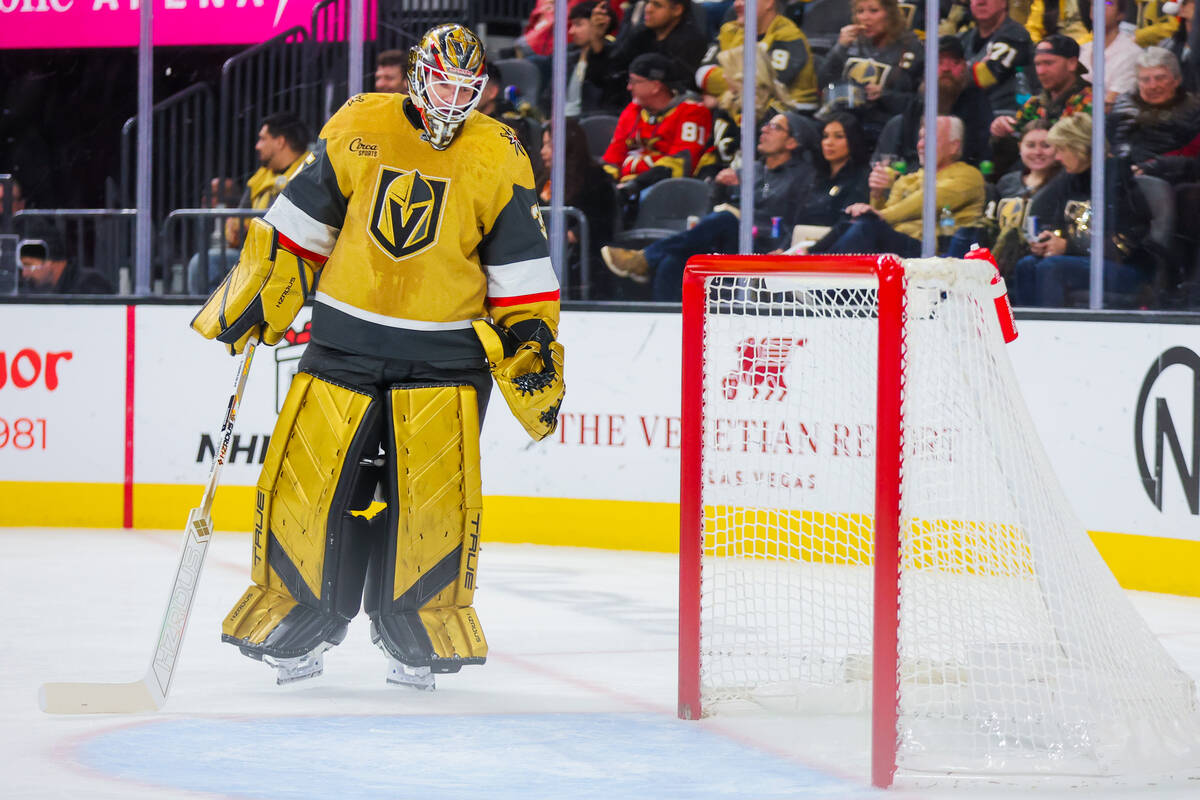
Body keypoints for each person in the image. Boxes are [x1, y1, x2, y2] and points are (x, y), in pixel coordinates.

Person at [190, 24, 564, 690]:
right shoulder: (361, 120)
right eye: (444, 82)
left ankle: (416, 628)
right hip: (344, 342)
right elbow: (301, 222)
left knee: (432, 507)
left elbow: (520, 265)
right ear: (419, 74)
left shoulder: (501, 150)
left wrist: (530, 340)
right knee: (305, 487)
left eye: (467, 88)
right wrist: (258, 293)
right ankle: (296, 621)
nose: (454, 98)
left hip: (447, 356)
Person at [600, 111, 816, 300]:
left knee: (724, 219)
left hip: (768, 246)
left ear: (792, 142)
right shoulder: (751, 169)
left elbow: (799, 218)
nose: (764, 130)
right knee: (674, 260)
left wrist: (785, 248)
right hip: (731, 241)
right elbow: (714, 208)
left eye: (775, 127)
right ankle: (666, 319)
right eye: (766, 125)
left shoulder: (803, 175)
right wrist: (721, 186)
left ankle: (645, 258)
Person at [1009, 113, 1155, 306]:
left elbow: (1123, 245)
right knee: (1026, 265)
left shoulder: (1115, 179)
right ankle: (1024, 333)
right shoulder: (1070, 178)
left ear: (1080, 148)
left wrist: (1067, 247)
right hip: (1080, 261)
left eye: (1061, 149)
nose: (1057, 157)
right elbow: (1043, 211)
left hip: (1128, 270)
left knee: (1052, 267)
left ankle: (1054, 333)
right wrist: (1046, 241)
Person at [810, 115, 986, 256]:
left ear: (954, 146)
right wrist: (877, 196)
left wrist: (877, 215)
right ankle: (807, 260)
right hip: (898, 248)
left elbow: (929, 201)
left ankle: (818, 283)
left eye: (930, 138)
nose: (921, 144)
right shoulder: (908, 179)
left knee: (866, 227)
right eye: (920, 138)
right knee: (853, 224)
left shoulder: (969, 176)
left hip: (933, 253)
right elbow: (887, 215)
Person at [188, 112, 311, 294]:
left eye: (262, 139)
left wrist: (250, 226)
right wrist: (236, 227)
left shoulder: (309, 174)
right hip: (254, 253)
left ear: (280, 141)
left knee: (203, 264)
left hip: (287, 259)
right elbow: (239, 218)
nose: (257, 146)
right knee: (206, 262)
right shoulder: (260, 178)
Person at [602, 53, 712, 216]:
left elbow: (679, 164)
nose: (629, 87)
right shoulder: (633, 110)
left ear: (655, 86)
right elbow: (613, 156)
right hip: (623, 188)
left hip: (664, 193)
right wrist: (604, 185)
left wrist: (634, 186)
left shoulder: (692, 112)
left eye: (634, 81)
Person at [870, 36, 995, 173]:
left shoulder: (977, 105)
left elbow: (978, 156)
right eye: (939, 62)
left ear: (964, 67)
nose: (946, 69)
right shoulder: (916, 105)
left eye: (955, 62)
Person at [818, 0, 924, 144]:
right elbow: (822, 82)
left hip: (885, 127)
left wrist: (884, 95)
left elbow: (919, 102)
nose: (865, 17)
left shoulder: (911, 47)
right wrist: (839, 48)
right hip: (843, 124)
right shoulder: (850, 43)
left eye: (873, 11)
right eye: (860, 11)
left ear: (891, 14)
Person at [536, 119, 620, 298]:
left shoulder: (595, 179)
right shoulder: (541, 180)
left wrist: (572, 234)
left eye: (549, 145)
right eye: (543, 145)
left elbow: (600, 221)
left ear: (567, 146)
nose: (543, 152)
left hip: (583, 263)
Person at [696, 0, 820, 114]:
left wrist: (721, 97)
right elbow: (703, 74)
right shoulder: (730, 31)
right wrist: (739, 86)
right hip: (743, 114)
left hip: (786, 119)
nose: (737, 4)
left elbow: (765, 88)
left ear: (769, 3)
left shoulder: (788, 36)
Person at [987, 120, 1063, 271]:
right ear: (1019, 147)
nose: (1038, 152)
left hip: (1038, 263)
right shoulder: (1006, 182)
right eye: (1030, 145)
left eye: (1046, 145)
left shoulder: (1063, 184)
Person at [990, 34, 1094, 140]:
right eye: (1038, 64)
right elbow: (1017, 138)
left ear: (1072, 63)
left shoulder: (1090, 103)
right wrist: (1002, 129)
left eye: (1048, 63)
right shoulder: (1035, 104)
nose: (1040, 71)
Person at [1108, 47, 1200, 162]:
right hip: (1124, 172)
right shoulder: (1123, 107)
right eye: (1145, 80)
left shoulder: (1194, 109)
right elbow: (1115, 146)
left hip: (1172, 174)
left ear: (1177, 80)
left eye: (1160, 78)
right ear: (1138, 82)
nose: (1153, 86)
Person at [960, 0, 1038, 116]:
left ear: (1004, 3)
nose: (981, 2)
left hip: (1011, 116)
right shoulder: (963, 39)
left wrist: (960, 70)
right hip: (973, 117)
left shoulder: (1016, 35)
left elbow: (985, 75)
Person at [796, 112, 872, 227]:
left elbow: (846, 224)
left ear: (853, 140)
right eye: (825, 136)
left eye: (839, 136)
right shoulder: (814, 176)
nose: (829, 143)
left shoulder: (863, 177)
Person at [1079, 0, 1144, 105]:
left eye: (1108, 3)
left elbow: (1112, 101)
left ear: (1120, 14)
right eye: (1094, 3)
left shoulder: (1132, 54)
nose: (1100, 7)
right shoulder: (1081, 51)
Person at [17, 224, 113, 295]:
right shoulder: (34, 289)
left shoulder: (90, 286)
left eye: (29, 265)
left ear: (51, 261)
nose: (25, 273)